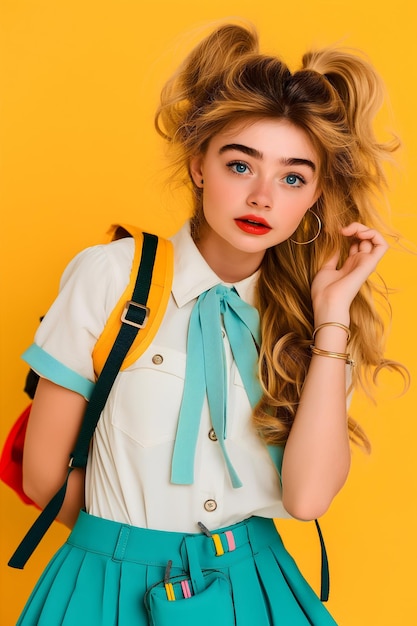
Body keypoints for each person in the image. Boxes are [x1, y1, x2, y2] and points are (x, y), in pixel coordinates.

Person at [15, 21, 405, 625]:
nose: (263, 197)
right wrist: (133, 551)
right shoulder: (111, 276)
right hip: (108, 580)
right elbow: (43, 474)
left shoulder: (312, 315)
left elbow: (307, 499)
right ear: (199, 166)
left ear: (316, 196)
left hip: (255, 583)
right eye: (241, 165)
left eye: (293, 177)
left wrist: (332, 320)